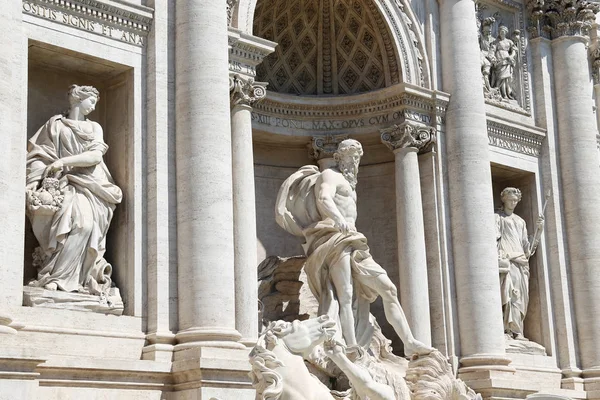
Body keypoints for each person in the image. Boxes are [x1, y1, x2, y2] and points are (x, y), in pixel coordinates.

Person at [276, 139, 432, 356]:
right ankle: (351, 346)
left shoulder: (350, 183)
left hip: (354, 241)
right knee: (345, 295)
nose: (353, 162)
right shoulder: (330, 175)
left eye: (356, 158)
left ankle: (409, 342)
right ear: (338, 157)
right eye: (349, 157)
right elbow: (323, 198)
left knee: (388, 288)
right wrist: (339, 219)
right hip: (335, 239)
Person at [26, 84, 122, 295]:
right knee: (69, 226)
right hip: (63, 184)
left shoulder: (95, 127)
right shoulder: (54, 125)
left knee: (85, 226)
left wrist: (63, 161)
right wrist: (36, 178)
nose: (94, 107)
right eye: (91, 101)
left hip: (91, 184)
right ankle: (55, 277)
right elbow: (39, 155)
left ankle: (71, 279)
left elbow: (95, 157)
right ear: (78, 99)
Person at [495, 187, 543, 340]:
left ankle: (518, 331)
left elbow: (527, 248)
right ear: (504, 199)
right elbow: (494, 238)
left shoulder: (520, 221)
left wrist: (539, 231)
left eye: (515, 200)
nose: (513, 203)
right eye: (510, 200)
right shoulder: (498, 217)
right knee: (509, 295)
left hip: (521, 262)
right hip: (508, 259)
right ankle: (508, 330)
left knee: (521, 298)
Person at [491, 25, 518, 100]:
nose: (502, 33)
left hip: (507, 59)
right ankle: (499, 92)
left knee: (505, 78)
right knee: (500, 77)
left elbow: (514, 51)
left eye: (503, 32)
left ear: (506, 32)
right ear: (499, 32)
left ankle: (505, 94)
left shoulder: (509, 41)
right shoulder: (496, 41)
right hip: (499, 59)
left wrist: (511, 56)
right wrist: (493, 58)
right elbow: (492, 51)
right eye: (500, 31)